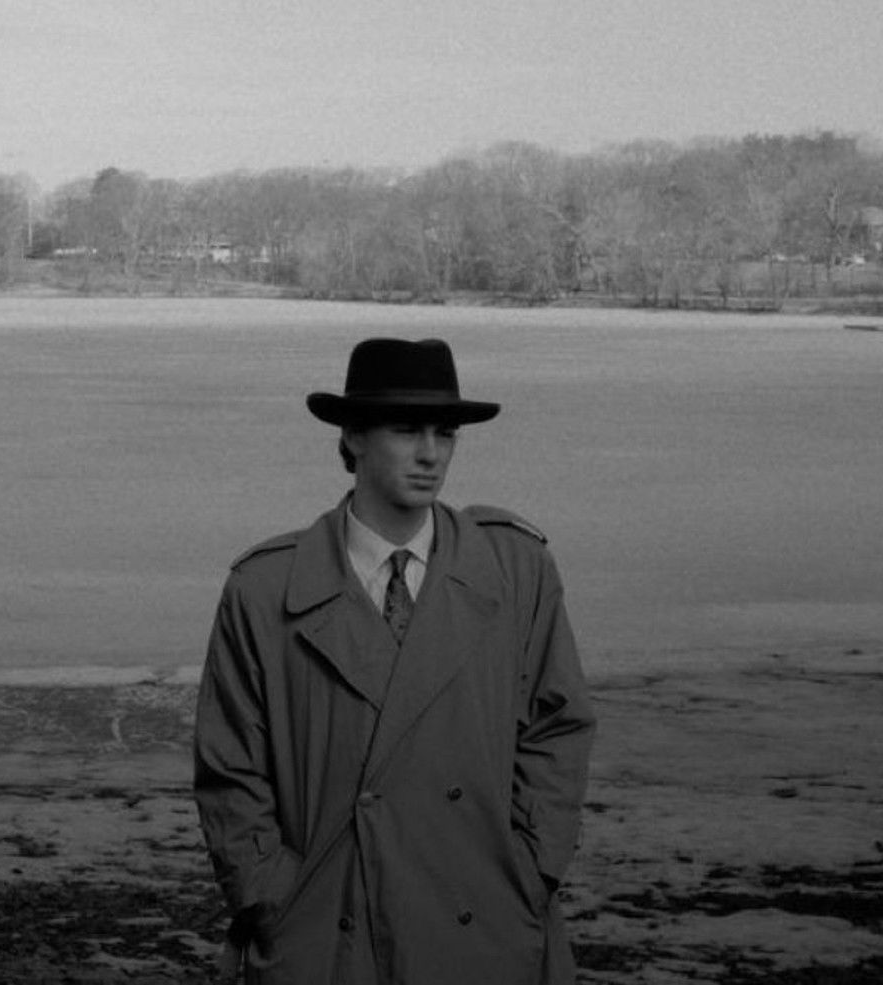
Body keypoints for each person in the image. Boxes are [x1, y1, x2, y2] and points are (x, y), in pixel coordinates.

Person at [192, 337, 597, 984]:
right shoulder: (265, 590)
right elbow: (230, 766)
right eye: (407, 430)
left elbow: (559, 725)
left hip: (485, 918)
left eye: (445, 432)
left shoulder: (516, 570)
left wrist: (532, 867)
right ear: (352, 436)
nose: (431, 453)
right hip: (328, 928)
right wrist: (268, 895)